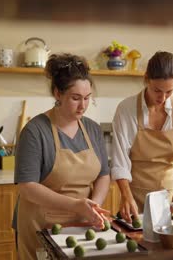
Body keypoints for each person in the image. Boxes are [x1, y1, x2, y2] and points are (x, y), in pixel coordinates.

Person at [14, 53, 110, 260]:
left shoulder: (92, 129)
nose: (82, 106)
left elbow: (103, 174)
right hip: (40, 226)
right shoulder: (35, 131)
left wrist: (93, 207)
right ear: (58, 93)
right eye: (75, 98)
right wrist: (76, 205)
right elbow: (27, 186)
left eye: (87, 98)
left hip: (81, 224)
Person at [111, 51, 173, 223]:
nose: (163, 97)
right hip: (133, 197)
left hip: (169, 197)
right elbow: (119, 161)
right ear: (146, 79)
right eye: (157, 90)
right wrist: (126, 196)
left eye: (169, 91)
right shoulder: (126, 108)